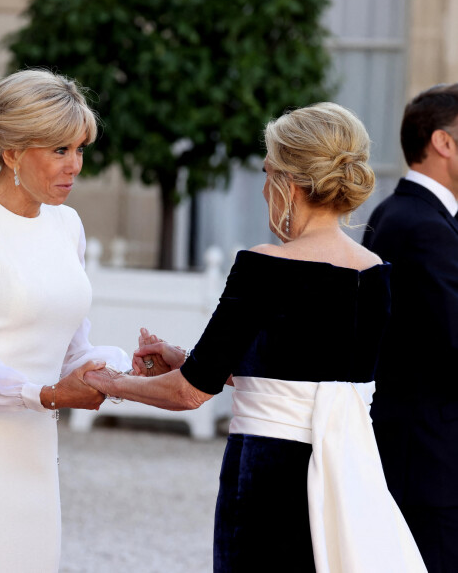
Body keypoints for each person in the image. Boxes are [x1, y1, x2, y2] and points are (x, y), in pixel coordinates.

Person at [85, 103, 427, 572]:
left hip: (270, 476)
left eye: (267, 173)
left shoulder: (265, 264)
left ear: (288, 184)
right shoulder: (376, 271)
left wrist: (110, 382)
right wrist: (183, 357)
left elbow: (189, 393)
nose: (265, 187)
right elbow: (299, 378)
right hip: (349, 473)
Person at [0, 69, 131, 572]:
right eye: (59, 150)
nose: (74, 166)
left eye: (80, 149)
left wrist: (126, 369)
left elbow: (74, 350)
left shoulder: (68, 225)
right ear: (12, 152)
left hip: (34, 444)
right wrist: (47, 395)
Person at [362, 83, 458, 573]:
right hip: (430, 465)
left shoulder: (402, 213)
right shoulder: (424, 227)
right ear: (443, 142)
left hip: (416, 454)